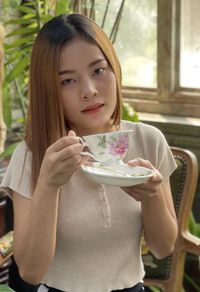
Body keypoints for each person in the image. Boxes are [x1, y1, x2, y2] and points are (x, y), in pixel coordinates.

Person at [0, 13, 178, 292]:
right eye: (68, 81)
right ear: (50, 91)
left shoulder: (148, 140)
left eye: (98, 71)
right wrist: (48, 184)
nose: (90, 91)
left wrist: (151, 197)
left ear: (114, 68)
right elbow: (31, 272)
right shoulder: (32, 156)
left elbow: (164, 247)